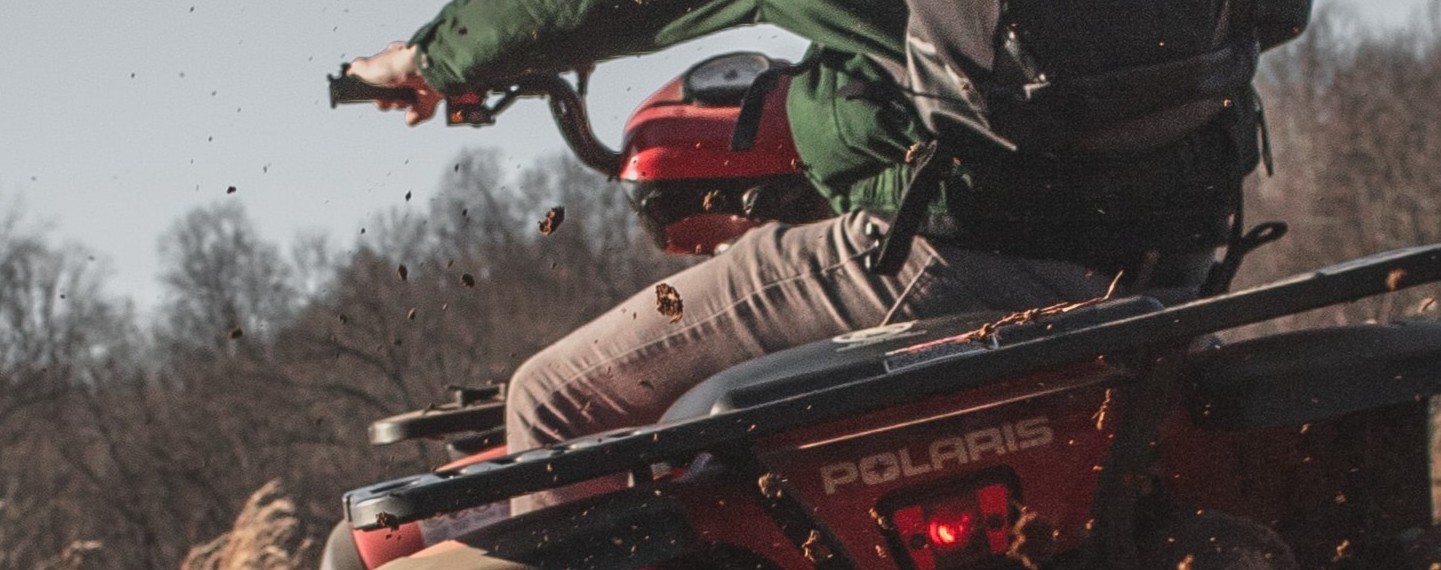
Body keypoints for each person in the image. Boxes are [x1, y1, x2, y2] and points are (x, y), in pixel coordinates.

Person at [349, 0, 1312, 452]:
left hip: (956, 249)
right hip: (1169, 252)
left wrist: (432, 58)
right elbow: (1276, 16)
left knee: (552, 403)